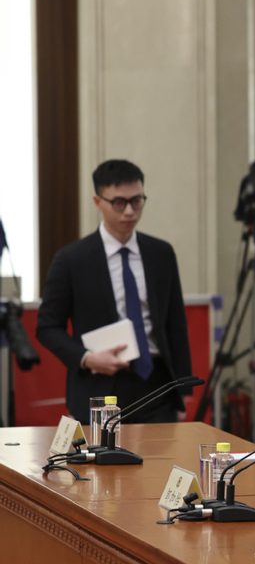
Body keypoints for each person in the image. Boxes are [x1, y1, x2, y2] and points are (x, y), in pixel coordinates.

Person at [37, 159, 193, 424]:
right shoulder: (72, 259)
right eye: (119, 203)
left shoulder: (161, 253)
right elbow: (47, 327)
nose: (130, 211)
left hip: (157, 384)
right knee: (102, 452)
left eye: (137, 201)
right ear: (98, 202)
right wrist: (87, 358)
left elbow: (175, 324)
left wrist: (183, 392)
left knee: (161, 451)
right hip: (99, 386)